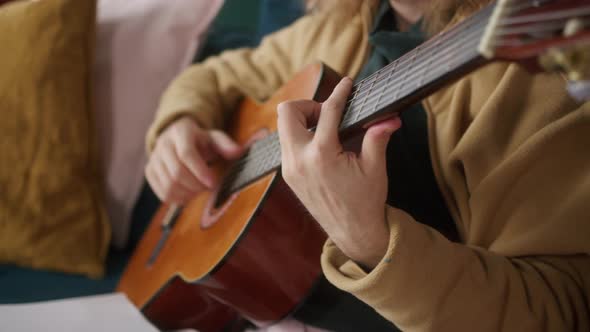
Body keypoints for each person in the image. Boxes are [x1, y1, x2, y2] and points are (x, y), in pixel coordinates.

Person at [145, 0, 590, 331]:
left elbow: (557, 310)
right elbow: (216, 75)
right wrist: (178, 123)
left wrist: (369, 240)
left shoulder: (536, 81)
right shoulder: (346, 19)